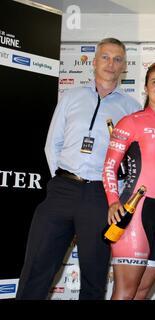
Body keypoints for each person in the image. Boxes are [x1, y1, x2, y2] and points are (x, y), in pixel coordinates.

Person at [16, 38, 141, 300]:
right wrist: (61, 181)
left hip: (100, 197)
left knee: (94, 278)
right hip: (62, 189)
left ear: (124, 67)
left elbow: (132, 163)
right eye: (105, 57)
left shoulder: (132, 109)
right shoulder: (71, 97)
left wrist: (114, 195)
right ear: (94, 62)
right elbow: (53, 145)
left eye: (117, 59)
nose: (111, 63)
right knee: (36, 268)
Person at [103, 62, 155, 300]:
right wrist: (114, 201)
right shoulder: (132, 121)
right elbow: (109, 166)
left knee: (141, 294)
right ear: (145, 87)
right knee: (125, 293)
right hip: (134, 214)